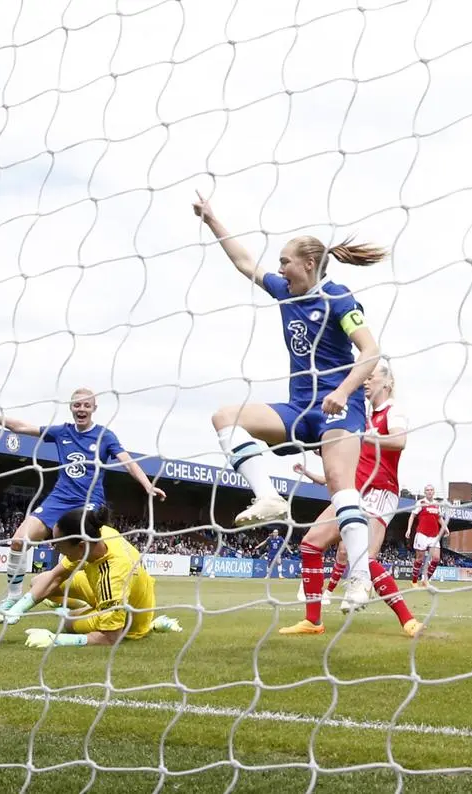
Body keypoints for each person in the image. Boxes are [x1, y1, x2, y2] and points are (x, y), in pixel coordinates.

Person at [193, 193, 384, 605]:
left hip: (340, 409)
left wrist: (343, 391)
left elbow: (371, 352)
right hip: (298, 410)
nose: (279, 269)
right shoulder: (285, 292)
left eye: (285, 261)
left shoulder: (340, 299)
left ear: (308, 265)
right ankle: (268, 497)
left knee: (339, 484)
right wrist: (213, 220)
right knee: (226, 417)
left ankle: (359, 577)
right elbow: (246, 263)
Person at [0, 388, 166, 622]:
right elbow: (20, 428)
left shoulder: (105, 436)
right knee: (19, 541)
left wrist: (147, 485)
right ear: (71, 407)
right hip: (59, 499)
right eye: (77, 405)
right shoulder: (62, 432)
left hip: (89, 503)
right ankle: (13, 596)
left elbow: (128, 461)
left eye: (86, 405)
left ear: (94, 408)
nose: (81, 409)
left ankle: (97, 601)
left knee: (76, 554)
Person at [282, 361, 421, 637]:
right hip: (352, 490)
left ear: (387, 382)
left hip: (379, 491)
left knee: (364, 557)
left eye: (370, 378)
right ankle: (313, 621)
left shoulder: (394, 411)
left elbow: (399, 441)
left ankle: (408, 621)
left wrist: (362, 437)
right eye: (364, 378)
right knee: (311, 544)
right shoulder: (364, 417)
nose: (365, 382)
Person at [0, 506, 183, 648]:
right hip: (106, 592)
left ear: (80, 546)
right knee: (39, 581)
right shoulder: (99, 534)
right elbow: (55, 577)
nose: (54, 548)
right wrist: (16, 610)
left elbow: (110, 638)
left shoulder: (113, 575)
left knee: (66, 623)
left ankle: (149, 625)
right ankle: (91, 608)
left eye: (59, 545)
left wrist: (56, 639)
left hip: (130, 621)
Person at [407, 485, 448, 587]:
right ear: (424, 492)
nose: (429, 492)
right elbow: (412, 515)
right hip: (422, 534)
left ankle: (426, 580)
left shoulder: (436, 504)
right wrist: (409, 529)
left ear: (434, 492)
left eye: (431, 490)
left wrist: (445, 528)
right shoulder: (420, 503)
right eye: (427, 490)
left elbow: (439, 518)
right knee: (419, 559)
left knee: (436, 559)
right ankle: (414, 581)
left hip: (434, 535)